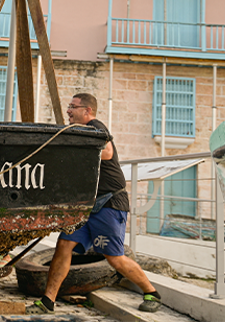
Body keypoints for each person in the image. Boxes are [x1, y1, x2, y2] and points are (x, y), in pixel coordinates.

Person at [26, 93, 162, 314]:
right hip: (88, 207)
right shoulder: (80, 133)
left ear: (87, 111)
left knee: (114, 258)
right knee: (63, 246)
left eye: (73, 106)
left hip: (109, 203)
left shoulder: (95, 126)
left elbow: (107, 152)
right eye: (69, 106)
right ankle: (47, 301)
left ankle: (151, 292)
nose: (69, 110)